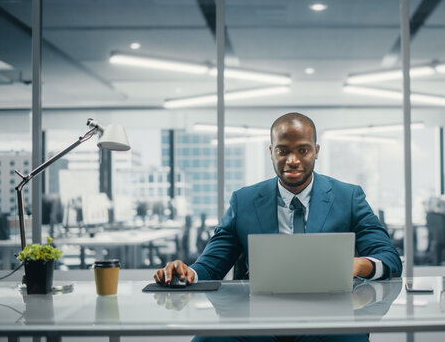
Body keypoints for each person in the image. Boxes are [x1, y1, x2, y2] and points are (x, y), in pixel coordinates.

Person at [154, 112, 402, 342]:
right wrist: (187, 273)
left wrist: (358, 265)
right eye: (283, 151)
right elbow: (210, 265)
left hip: (330, 317)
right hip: (257, 320)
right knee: (206, 340)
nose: (292, 160)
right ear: (271, 151)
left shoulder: (348, 197)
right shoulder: (244, 201)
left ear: (316, 151)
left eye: (303, 150)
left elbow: (389, 258)